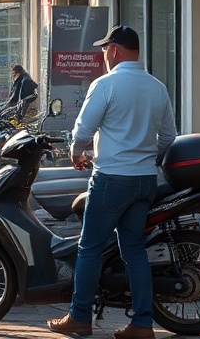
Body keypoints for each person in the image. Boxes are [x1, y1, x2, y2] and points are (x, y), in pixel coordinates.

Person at [47, 25, 176, 339]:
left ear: (115, 50)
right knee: (134, 251)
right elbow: (169, 137)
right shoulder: (157, 87)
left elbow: (83, 128)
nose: (103, 54)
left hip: (112, 180)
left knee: (89, 248)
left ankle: (79, 317)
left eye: (105, 48)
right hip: (145, 180)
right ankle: (143, 324)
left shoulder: (106, 84)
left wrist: (77, 152)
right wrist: (144, 154)